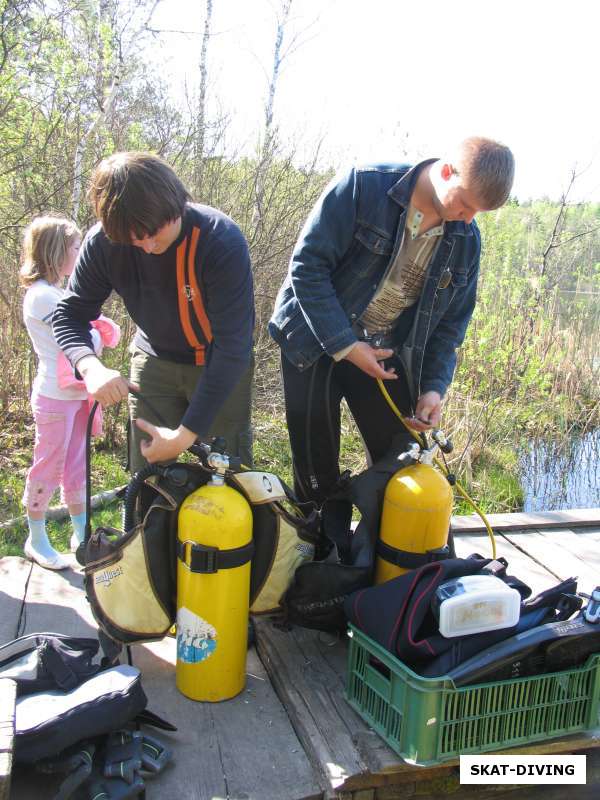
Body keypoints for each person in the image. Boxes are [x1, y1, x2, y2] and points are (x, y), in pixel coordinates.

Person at [269, 136, 515, 508]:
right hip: (312, 339)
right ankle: (319, 555)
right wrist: (347, 347)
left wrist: (433, 389)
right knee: (316, 472)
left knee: (400, 459)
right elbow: (307, 268)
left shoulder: (466, 239)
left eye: (478, 212)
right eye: (465, 204)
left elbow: (450, 327)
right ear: (446, 171)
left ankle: (378, 557)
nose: (468, 218)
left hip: (380, 349)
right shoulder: (363, 186)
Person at [53, 152, 255, 474]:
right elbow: (69, 315)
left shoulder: (220, 241)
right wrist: (90, 367)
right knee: (147, 479)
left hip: (219, 363)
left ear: (176, 204)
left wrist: (184, 436)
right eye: (135, 238)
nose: (147, 246)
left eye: (155, 232)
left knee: (230, 475)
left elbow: (234, 348)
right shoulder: (102, 244)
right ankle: (146, 525)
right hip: (154, 362)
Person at [20, 217, 88, 569]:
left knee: (77, 464)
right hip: (54, 398)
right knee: (48, 466)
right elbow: (86, 336)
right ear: (56, 251)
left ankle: (81, 532)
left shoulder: (60, 293)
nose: (80, 253)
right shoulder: (42, 296)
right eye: (75, 247)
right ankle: (37, 537)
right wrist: (97, 329)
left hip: (78, 395)